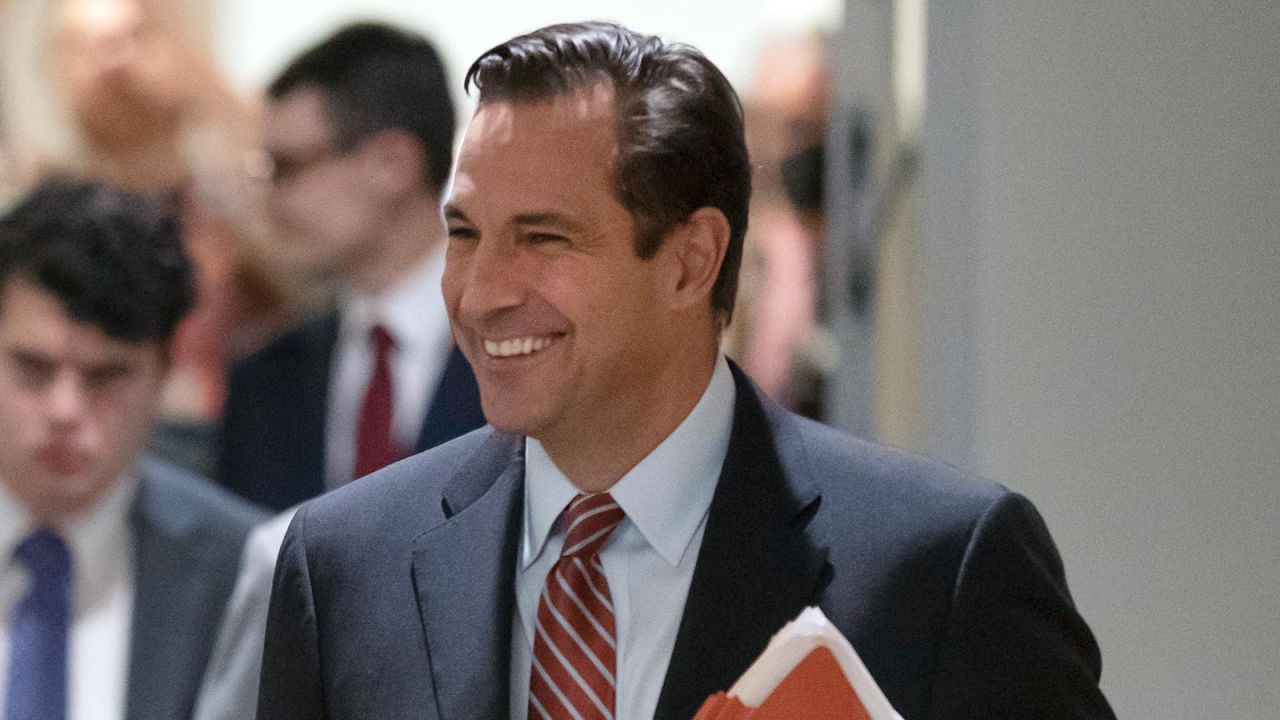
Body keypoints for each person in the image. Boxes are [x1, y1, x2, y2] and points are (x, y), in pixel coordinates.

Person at [256, 21, 1116, 720]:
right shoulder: (343, 568)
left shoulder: (937, 570)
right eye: (465, 233)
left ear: (690, 260)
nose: (479, 295)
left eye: (543, 237)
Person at [0, 177, 264, 720]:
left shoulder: (242, 572)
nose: (64, 411)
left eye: (105, 377)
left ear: (164, 372)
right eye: (33, 369)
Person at [217, 21, 484, 512]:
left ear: (393, 162)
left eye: (287, 167)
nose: (269, 200)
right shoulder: (263, 380)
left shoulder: (517, 349)